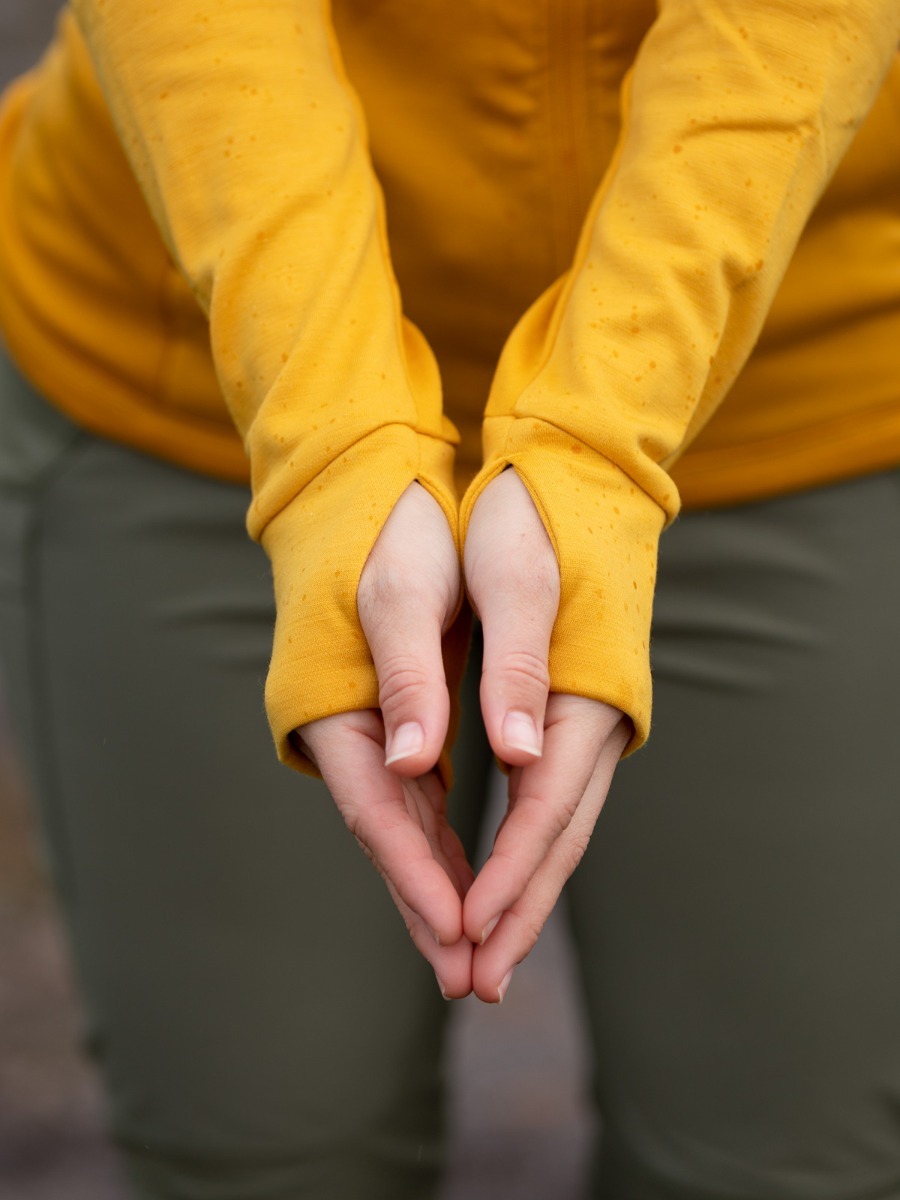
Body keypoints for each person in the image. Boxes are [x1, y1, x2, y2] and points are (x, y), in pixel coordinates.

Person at [1, 1, 900, 1197]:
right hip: (204, 347)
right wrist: (332, 443)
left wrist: (602, 430)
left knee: (783, 1165)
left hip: (806, 363)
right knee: (265, 1157)